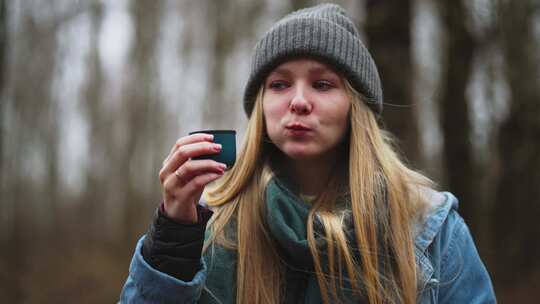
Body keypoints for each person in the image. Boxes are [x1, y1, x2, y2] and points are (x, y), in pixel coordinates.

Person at [119, 3, 496, 304]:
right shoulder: (210, 226)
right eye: (280, 84)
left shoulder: (429, 227)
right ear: (262, 105)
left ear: (356, 106)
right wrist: (172, 239)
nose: (298, 102)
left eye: (322, 84)